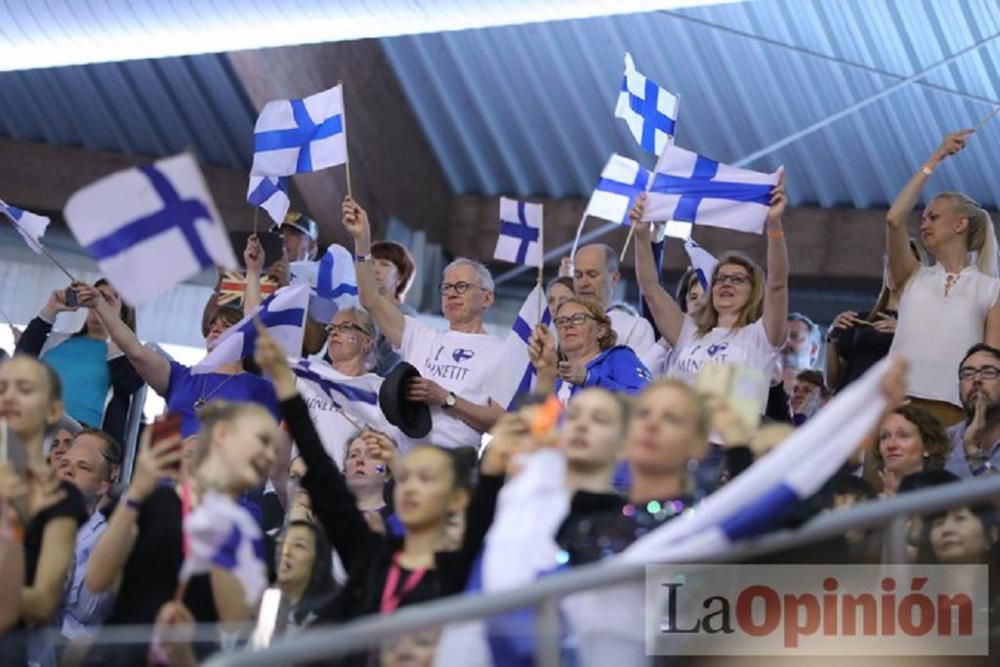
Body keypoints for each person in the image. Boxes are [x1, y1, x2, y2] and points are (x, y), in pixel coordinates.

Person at [253, 329, 509, 629]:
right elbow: (322, 473)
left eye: (426, 479)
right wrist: (288, 391)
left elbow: (482, 512)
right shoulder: (371, 557)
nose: (410, 486)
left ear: (456, 499)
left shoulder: (456, 568)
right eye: (408, 477)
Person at [84, 400, 278, 663]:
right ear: (222, 435)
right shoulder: (152, 502)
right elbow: (96, 580)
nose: (270, 455)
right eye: (263, 441)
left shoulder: (250, 536)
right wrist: (137, 492)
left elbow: (235, 621)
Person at [342, 196, 504, 448]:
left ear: (487, 298)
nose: (451, 293)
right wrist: (362, 243)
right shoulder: (421, 335)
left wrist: (446, 399)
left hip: (451, 465)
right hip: (400, 461)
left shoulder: (501, 351)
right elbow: (371, 299)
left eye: (461, 286)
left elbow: (498, 421)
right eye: (446, 287)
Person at [631, 177, 789, 407]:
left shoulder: (762, 336)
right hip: (680, 439)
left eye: (737, 280)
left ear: (753, 290)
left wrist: (774, 226)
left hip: (730, 441)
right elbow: (650, 288)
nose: (727, 284)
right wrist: (641, 235)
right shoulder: (687, 330)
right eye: (720, 279)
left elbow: (778, 284)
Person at [885, 130, 1000, 427]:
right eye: (922, 218)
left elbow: (991, 362)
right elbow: (894, 219)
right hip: (895, 406)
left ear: (961, 224)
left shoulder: (992, 289)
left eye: (933, 217)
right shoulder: (913, 275)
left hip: (954, 413)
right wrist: (936, 158)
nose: (923, 225)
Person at [76, 281, 280, 439]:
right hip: (168, 486)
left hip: (225, 486)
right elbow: (135, 350)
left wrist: (253, 272)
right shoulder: (180, 376)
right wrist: (100, 305)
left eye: (227, 325)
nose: (216, 328)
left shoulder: (261, 389)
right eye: (213, 324)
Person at [0, 357, 87, 665]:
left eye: (24, 389)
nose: (8, 397)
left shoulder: (61, 497)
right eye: (2, 388)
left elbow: (43, 601)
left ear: (52, 411)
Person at [16, 280, 142, 445]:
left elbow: (128, 384)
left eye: (108, 301)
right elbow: (21, 360)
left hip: (79, 438)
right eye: (96, 297)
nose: (99, 305)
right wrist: (51, 309)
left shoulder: (125, 354)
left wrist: (113, 325)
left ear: (123, 311)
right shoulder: (57, 341)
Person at [826, 240, 927, 391]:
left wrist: (904, 333)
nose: (895, 269)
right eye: (890, 264)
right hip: (853, 406)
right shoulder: (860, 319)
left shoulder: (925, 326)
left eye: (902, 264)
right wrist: (831, 337)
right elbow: (832, 382)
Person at [55, 429, 122, 644]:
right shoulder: (25, 514)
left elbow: (87, 611)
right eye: (64, 463)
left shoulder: (110, 535)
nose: (69, 471)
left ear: (106, 481)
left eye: (83, 466)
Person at [528, 297, 650, 404]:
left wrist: (589, 379)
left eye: (578, 318)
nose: (568, 325)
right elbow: (540, 424)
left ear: (600, 331)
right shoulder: (556, 380)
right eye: (561, 321)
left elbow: (645, 401)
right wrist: (546, 372)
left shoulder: (619, 358)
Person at [572, 243, 656, 355]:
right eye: (578, 276)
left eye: (592, 275)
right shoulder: (563, 324)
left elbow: (638, 370)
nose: (583, 283)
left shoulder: (635, 328)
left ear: (614, 279)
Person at [945, 344, 1000, 478]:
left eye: (988, 372)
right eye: (967, 374)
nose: (976, 380)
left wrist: (973, 453)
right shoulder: (945, 441)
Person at [874, 405, 951, 496]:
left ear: (928, 446)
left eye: (903, 435)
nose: (891, 445)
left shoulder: (948, 498)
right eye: (884, 437)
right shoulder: (865, 505)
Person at [276, 520, 337, 632]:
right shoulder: (252, 608)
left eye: (299, 545)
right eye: (282, 543)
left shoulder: (327, 625)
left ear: (319, 562)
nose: (286, 552)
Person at [370, 240, 418, 377]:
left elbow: (385, 367)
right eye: (371, 263)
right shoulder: (353, 305)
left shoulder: (405, 315)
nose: (375, 269)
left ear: (401, 276)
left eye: (384, 264)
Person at [781, 313, 821, 392]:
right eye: (781, 337)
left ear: (813, 350)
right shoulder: (758, 386)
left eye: (795, 336)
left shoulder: (824, 391)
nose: (786, 341)